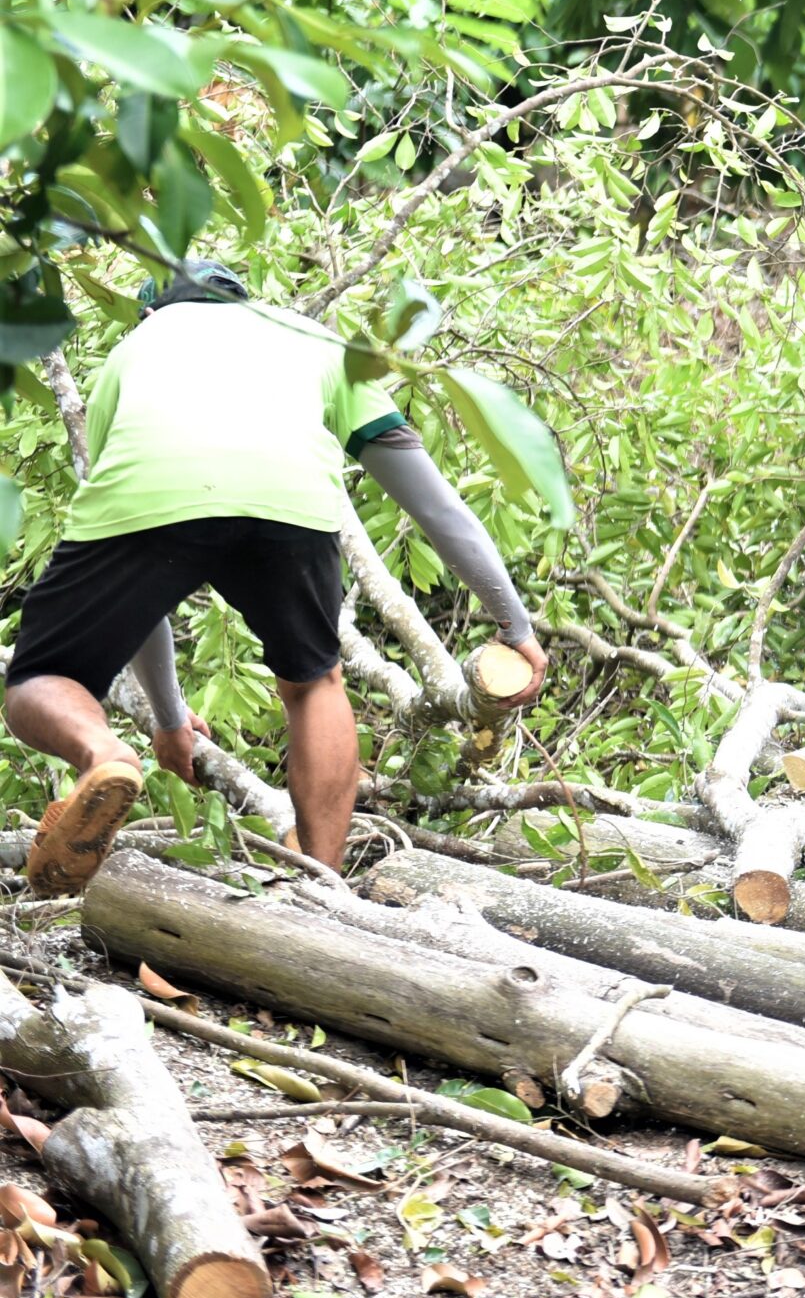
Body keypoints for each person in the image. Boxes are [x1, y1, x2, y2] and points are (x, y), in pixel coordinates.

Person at [7, 261, 548, 893]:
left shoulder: (132, 352)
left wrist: (169, 720)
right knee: (316, 683)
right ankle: (323, 881)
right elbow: (436, 506)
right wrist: (516, 626)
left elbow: (140, 599)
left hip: (145, 498)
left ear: (153, 312)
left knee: (39, 679)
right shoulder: (314, 340)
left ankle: (103, 756)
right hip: (290, 507)